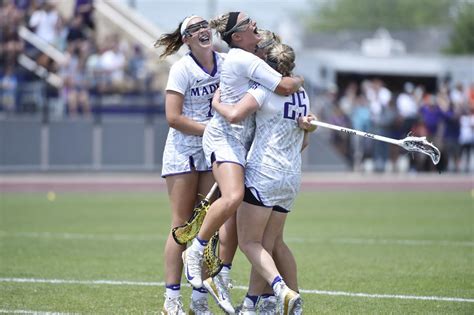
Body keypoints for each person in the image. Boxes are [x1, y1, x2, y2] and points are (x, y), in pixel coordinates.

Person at [181, 10, 304, 314]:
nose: (256, 27)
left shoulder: (247, 59)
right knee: (236, 199)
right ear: (237, 37)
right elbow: (285, 87)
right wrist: (299, 79)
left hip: (242, 146)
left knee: (248, 229)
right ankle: (195, 252)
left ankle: (227, 278)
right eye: (250, 25)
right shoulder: (246, 61)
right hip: (224, 138)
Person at [212, 42, 316, 314]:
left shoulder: (263, 89)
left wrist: (217, 104)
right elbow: (303, 141)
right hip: (291, 177)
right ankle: (251, 305)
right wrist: (308, 129)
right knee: (268, 244)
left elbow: (235, 115)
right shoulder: (301, 93)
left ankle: (282, 289)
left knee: (249, 242)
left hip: (264, 174)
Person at [154, 15, 232, 315]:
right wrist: (209, 129)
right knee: (182, 227)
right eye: (194, 29)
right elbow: (173, 117)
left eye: (204, 26)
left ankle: (199, 299)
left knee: (207, 228)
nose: (202, 31)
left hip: (211, 152)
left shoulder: (226, 63)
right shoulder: (181, 69)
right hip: (182, 153)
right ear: (186, 39)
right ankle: (171, 300)